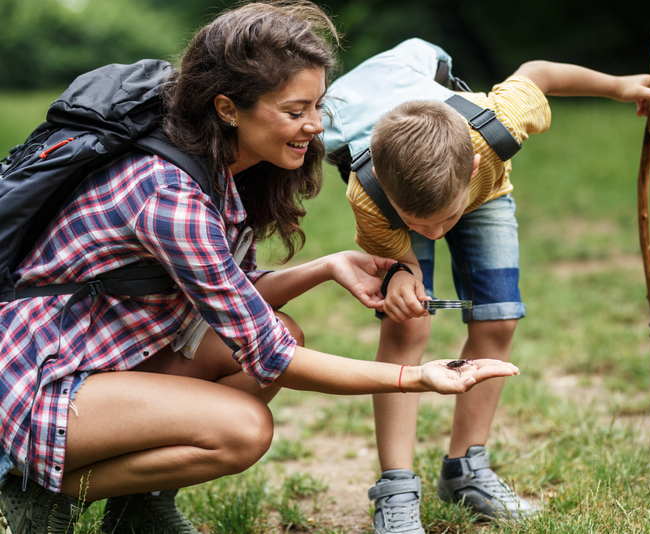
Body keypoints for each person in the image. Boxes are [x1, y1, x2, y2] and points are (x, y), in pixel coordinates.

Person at [0, 4, 519, 534]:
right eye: (296, 111)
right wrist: (416, 377)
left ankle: (139, 507)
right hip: (43, 379)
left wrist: (328, 266)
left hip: (103, 351)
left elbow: (235, 294)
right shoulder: (170, 194)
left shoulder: (218, 166)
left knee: (283, 329)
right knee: (243, 429)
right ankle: (37, 488)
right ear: (228, 108)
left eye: (317, 105)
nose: (316, 125)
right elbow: (268, 354)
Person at [331, 50, 650, 532]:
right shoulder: (369, 192)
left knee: (499, 316)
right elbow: (396, 253)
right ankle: (396, 489)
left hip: (486, 198)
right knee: (407, 327)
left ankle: (466, 470)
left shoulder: (498, 125)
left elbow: (539, 73)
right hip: (390, 201)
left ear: (469, 172)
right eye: (419, 224)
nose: (436, 233)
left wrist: (618, 87)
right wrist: (402, 274)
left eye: (443, 219)